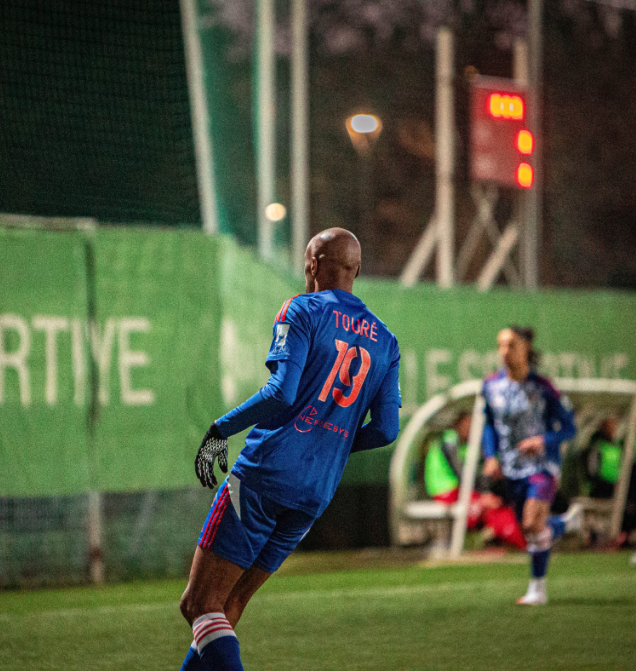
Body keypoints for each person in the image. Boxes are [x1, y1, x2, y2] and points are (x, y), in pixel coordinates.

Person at [178, 228, 401, 671]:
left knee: (199, 603)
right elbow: (386, 430)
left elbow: (281, 392)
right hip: (315, 492)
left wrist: (221, 428)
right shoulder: (386, 340)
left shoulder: (301, 309)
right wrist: (330, 445)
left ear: (312, 264)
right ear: (356, 270)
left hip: (263, 476)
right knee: (229, 604)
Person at [481, 326, 581, 605]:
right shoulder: (490, 385)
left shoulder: (543, 387)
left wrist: (544, 440)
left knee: (531, 523)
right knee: (529, 530)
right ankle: (565, 523)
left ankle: (537, 590)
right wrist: (490, 456)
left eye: (511, 344)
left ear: (525, 348)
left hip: (542, 466)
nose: (505, 351)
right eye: (501, 345)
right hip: (511, 468)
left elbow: (569, 428)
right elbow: (489, 424)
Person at [424, 412, 526, 549]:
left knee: (498, 502)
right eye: (467, 424)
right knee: (489, 505)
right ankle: (516, 540)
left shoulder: (468, 443)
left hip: (459, 490)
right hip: (446, 491)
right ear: (458, 424)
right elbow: (462, 475)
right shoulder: (449, 440)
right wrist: (483, 493)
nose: (470, 428)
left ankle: (512, 539)